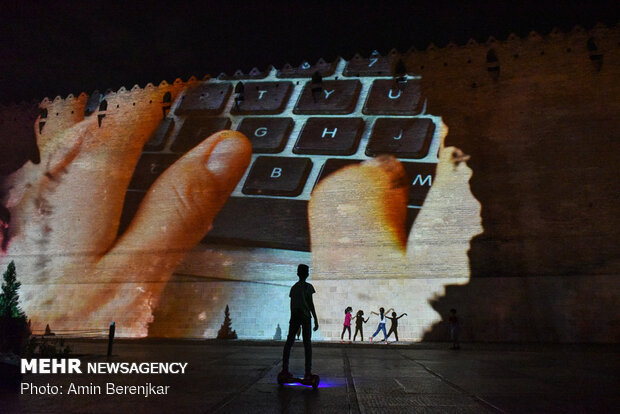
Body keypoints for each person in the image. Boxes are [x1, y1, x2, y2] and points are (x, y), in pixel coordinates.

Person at [279, 264, 319, 380]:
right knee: (307, 344)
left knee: (289, 342)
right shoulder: (308, 287)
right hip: (305, 316)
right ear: (307, 274)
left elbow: (292, 305)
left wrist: (292, 318)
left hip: (295, 316)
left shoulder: (294, 287)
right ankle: (308, 372)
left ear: (297, 273)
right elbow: (311, 305)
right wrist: (316, 319)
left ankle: (285, 369)